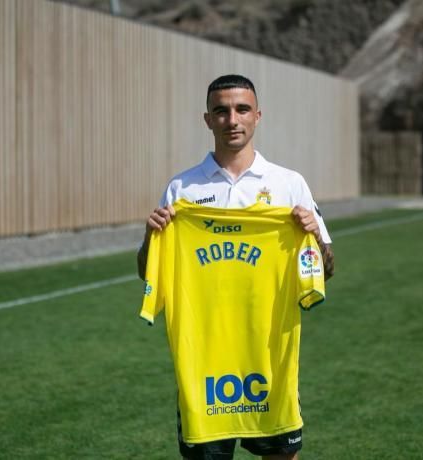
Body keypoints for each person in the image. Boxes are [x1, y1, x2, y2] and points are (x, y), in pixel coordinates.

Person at [137, 74, 335, 460]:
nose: (232, 120)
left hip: (269, 355)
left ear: (258, 116)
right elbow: (149, 274)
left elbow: (325, 270)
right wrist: (152, 238)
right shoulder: (182, 189)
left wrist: (313, 235)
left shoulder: (289, 184)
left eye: (242, 109)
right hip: (204, 363)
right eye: (221, 111)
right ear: (207, 120)